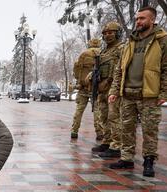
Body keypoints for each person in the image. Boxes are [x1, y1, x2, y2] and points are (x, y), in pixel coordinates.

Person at [108, 6, 167, 177]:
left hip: (149, 94)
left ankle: (149, 161)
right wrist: (114, 90)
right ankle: (127, 159)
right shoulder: (130, 41)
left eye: (142, 18)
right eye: (136, 19)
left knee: (149, 130)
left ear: (152, 20)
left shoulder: (161, 40)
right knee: (126, 128)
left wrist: (163, 93)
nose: (138, 21)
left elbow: (165, 68)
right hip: (128, 93)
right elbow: (120, 68)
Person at [91, 22, 125, 158]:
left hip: (113, 89)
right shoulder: (104, 51)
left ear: (117, 33)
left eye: (111, 32)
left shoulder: (121, 48)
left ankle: (116, 145)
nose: (107, 35)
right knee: (103, 117)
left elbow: (122, 69)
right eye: (105, 33)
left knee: (114, 117)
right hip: (102, 88)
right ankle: (107, 141)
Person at [71, 38, 103, 140]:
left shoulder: (83, 54)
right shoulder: (102, 53)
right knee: (98, 111)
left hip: (83, 87)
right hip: (97, 88)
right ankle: (99, 133)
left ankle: (74, 131)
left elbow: (76, 69)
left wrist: (80, 80)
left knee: (79, 110)